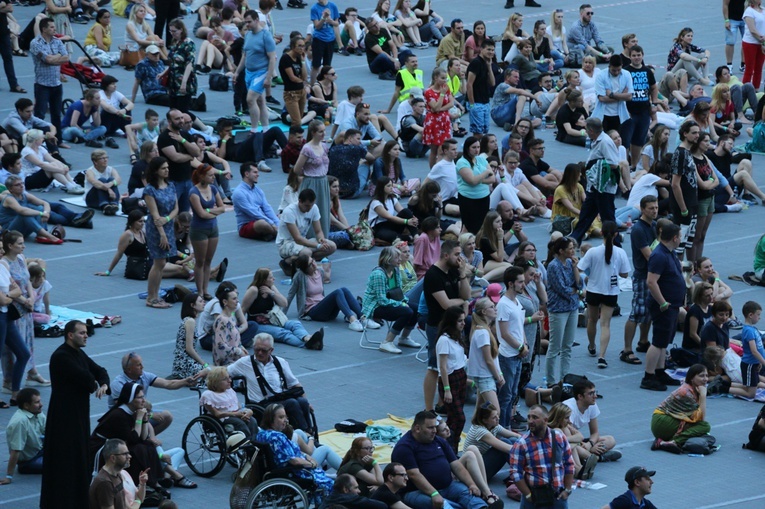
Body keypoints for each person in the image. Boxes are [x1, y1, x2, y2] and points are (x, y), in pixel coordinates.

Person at [40, 320, 110, 509]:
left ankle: (78, 500)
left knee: (79, 458)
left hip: (78, 415)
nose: (86, 335)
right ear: (70, 335)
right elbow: (88, 380)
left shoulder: (78, 353)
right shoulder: (61, 357)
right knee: (65, 460)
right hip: (64, 417)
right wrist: (96, 382)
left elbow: (99, 371)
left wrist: (103, 383)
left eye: (86, 332)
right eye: (81, 333)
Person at [91, 382, 194, 491]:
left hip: (117, 444)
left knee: (147, 445)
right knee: (139, 449)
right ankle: (148, 483)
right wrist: (139, 418)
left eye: (143, 397)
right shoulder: (119, 414)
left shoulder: (130, 411)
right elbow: (134, 439)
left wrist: (144, 420)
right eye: (140, 397)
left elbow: (143, 438)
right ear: (131, 399)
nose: (143, 400)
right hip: (101, 447)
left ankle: (154, 480)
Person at [390, 410, 488, 509]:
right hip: (416, 492)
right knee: (443, 505)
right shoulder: (404, 447)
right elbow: (414, 475)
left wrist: (471, 484)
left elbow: (457, 465)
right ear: (417, 428)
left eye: (435, 427)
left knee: (470, 496)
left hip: (448, 486)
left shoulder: (438, 440)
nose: (435, 431)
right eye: (430, 427)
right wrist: (434, 493)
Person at [423, 240, 471, 410]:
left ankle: (441, 403)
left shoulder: (452, 271)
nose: (460, 258)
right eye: (457, 254)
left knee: (453, 365)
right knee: (434, 367)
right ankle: (428, 409)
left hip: (454, 326)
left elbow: (466, 294)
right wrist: (462, 302)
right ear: (445, 255)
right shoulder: (433, 276)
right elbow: (446, 304)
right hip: (437, 327)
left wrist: (463, 274)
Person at [257, 403, 334, 505]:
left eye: (285, 416)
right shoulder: (278, 437)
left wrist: (306, 456)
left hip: (281, 470)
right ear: (271, 419)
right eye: (281, 417)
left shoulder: (261, 434)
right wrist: (311, 464)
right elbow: (295, 461)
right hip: (293, 473)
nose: (285, 420)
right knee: (331, 484)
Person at [570, 118, 631, 247]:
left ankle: (616, 243)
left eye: (586, 129)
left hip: (604, 188)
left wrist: (595, 166)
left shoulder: (605, 142)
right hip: (595, 187)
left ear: (591, 130)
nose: (585, 132)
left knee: (607, 218)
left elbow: (614, 164)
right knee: (586, 214)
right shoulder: (597, 140)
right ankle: (575, 238)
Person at [577, 221, 630, 367]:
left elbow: (580, 268)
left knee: (591, 320)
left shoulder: (593, 251)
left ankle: (592, 346)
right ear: (616, 234)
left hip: (593, 290)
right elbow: (625, 274)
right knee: (605, 324)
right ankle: (602, 356)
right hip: (611, 292)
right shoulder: (620, 252)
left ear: (601, 233)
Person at [641, 223, 685, 391]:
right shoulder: (659, 255)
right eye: (680, 236)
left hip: (671, 304)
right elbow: (651, 282)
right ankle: (649, 376)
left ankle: (659, 371)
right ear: (674, 238)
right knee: (658, 341)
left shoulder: (669, 252)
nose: (681, 239)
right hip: (664, 305)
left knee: (664, 340)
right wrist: (663, 303)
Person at [109, 351, 195, 436]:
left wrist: (185, 382)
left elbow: (168, 384)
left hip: (141, 414)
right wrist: (150, 415)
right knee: (146, 409)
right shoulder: (118, 384)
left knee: (167, 416)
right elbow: (126, 410)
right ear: (129, 370)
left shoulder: (144, 376)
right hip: (124, 419)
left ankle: (146, 440)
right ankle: (135, 440)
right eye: (138, 365)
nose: (142, 366)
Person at [508, 404, 575, 508]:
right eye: (529, 417)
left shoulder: (559, 437)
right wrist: (528, 494)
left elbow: (569, 464)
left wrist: (567, 490)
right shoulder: (521, 443)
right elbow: (515, 472)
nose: (530, 421)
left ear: (545, 420)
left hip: (557, 496)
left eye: (535, 417)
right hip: (534, 497)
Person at [242, 268, 324, 349]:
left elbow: (284, 303)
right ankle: (307, 344)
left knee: (295, 324)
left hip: (274, 320)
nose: (274, 279)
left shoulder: (271, 287)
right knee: (283, 333)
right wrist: (241, 326)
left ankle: (307, 338)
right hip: (259, 325)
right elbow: (243, 309)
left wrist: (271, 293)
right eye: (270, 277)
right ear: (263, 280)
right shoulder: (253, 290)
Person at [287, 253, 372, 331]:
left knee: (344, 290)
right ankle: (352, 320)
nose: (314, 264)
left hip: (325, 309)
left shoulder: (319, 271)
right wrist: (282, 315)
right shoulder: (300, 276)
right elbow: (290, 295)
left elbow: (327, 276)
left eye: (313, 260)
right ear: (305, 269)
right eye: (310, 264)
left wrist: (327, 266)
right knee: (338, 292)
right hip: (313, 311)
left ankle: (363, 318)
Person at [621, 196, 659, 364]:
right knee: (636, 313)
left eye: (656, 207)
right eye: (651, 208)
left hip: (653, 275)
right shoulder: (638, 230)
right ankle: (627, 349)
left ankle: (643, 341)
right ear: (643, 209)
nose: (655, 210)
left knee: (648, 311)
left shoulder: (655, 226)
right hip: (643, 276)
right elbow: (649, 255)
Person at [0, 176, 91, 244]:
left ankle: (42, 233)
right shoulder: (9, 198)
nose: (21, 186)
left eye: (22, 183)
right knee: (25, 214)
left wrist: (45, 212)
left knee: (40, 207)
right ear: (10, 188)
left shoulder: (24, 195)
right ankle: (47, 236)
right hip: (10, 231)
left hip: (22, 229)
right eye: (17, 185)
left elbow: (45, 203)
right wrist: (40, 213)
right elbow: (21, 211)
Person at [361, 246, 418, 354]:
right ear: (388, 259)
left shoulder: (395, 270)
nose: (400, 260)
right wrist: (400, 304)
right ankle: (387, 342)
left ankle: (404, 338)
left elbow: (399, 292)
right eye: (397, 257)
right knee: (406, 311)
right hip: (375, 306)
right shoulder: (378, 274)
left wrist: (403, 301)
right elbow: (381, 300)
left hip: (389, 301)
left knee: (415, 308)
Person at [497, 266, 531, 430]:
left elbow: (519, 327)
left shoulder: (516, 301)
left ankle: (507, 426)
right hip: (508, 356)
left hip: (517, 354)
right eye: (520, 282)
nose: (523, 285)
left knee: (512, 394)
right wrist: (520, 347)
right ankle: (502, 428)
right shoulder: (503, 305)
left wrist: (524, 344)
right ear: (510, 284)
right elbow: (504, 333)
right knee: (505, 396)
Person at [142, 157, 178, 309]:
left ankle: (156, 295)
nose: (167, 170)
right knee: (158, 262)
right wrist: (162, 233)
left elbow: (176, 207)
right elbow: (155, 215)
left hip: (168, 225)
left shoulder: (171, 186)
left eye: (167, 167)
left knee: (162, 263)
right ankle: (151, 297)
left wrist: (168, 218)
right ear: (156, 171)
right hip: (156, 229)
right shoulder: (150, 190)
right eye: (163, 168)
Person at [233, 10, 276, 138]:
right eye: (245, 22)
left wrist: (269, 78)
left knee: (250, 99)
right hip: (249, 72)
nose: (247, 25)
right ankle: (266, 128)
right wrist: (237, 72)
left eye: (249, 22)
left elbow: (272, 58)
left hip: (261, 72)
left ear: (257, 20)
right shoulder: (248, 35)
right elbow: (244, 56)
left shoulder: (265, 35)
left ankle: (254, 129)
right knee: (260, 101)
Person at [650, 363, 711, 453]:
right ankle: (672, 442)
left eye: (706, 375)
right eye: (701, 376)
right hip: (662, 421)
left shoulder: (693, 388)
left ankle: (670, 440)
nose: (705, 379)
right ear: (692, 378)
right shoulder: (686, 392)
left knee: (700, 429)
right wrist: (703, 396)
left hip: (664, 420)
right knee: (704, 426)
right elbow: (701, 419)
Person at [276, 188, 337, 272]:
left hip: (302, 241)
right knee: (307, 253)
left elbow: (318, 231)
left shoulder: (314, 208)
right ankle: (287, 261)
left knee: (331, 246)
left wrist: (322, 240)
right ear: (300, 201)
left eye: (311, 205)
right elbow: (297, 238)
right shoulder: (289, 212)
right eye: (307, 206)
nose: (309, 209)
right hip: (287, 243)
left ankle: (304, 261)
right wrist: (317, 246)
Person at [562, 380, 620, 463]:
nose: (595, 396)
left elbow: (595, 433)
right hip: (567, 441)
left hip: (580, 442)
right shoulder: (569, 409)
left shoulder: (592, 405)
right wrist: (585, 445)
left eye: (595, 392)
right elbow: (570, 437)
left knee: (610, 440)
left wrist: (590, 444)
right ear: (580, 396)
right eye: (591, 393)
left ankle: (587, 456)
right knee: (575, 448)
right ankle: (597, 458)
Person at [30, 17, 68, 142]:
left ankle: (58, 140)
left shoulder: (57, 41)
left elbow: (66, 58)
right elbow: (47, 60)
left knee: (56, 114)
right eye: (51, 27)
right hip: (42, 84)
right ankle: (36, 140)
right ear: (44, 29)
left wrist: (53, 58)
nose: (54, 29)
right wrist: (57, 57)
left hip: (56, 84)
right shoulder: (35, 43)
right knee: (39, 114)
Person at [436, 305, 468, 452]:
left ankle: (447, 445)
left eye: (463, 320)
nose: (463, 323)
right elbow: (443, 367)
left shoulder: (457, 337)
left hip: (460, 377)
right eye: (460, 321)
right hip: (450, 379)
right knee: (460, 418)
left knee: (453, 417)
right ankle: (452, 446)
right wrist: (447, 389)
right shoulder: (444, 340)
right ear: (451, 322)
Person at [157, 109, 201, 214]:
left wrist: (182, 140)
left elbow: (197, 152)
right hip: (172, 181)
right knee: (171, 211)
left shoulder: (185, 134)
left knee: (184, 212)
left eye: (181, 118)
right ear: (169, 121)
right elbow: (175, 158)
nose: (181, 121)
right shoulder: (164, 137)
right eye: (177, 119)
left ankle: (182, 230)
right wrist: (190, 157)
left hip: (187, 179)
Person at [462, 402, 519, 481]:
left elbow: (515, 436)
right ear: (485, 420)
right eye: (494, 417)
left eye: (497, 415)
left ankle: (520, 472)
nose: (498, 418)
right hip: (476, 471)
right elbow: (508, 448)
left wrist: (526, 439)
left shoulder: (492, 425)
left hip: (483, 462)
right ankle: (520, 473)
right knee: (505, 443)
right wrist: (529, 448)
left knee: (513, 440)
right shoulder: (480, 431)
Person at [294, 120, 331, 238]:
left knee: (323, 212)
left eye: (324, 131)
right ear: (313, 133)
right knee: (310, 212)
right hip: (311, 182)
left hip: (323, 182)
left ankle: (323, 240)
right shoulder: (307, 148)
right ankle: (309, 240)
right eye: (321, 131)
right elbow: (296, 169)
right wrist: (307, 175)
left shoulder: (324, 146)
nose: (323, 134)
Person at [0, 388, 45, 483]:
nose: (41, 405)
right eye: (37, 402)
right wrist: (9, 477)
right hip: (29, 461)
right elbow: (15, 450)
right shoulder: (20, 422)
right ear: (26, 406)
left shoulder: (38, 413)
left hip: (39, 450)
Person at [89, 438, 148, 509]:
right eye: (125, 454)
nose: (129, 456)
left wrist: (139, 495)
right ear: (113, 458)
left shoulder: (117, 475)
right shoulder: (105, 482)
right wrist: (138, 500)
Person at [200, 366, 258, 437]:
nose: (230, 380)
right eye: (225, 379)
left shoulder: (230, 391)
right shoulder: (208, 395)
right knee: (240, 424)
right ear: (216, 381)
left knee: (252, 420)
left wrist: (247, 412)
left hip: (236, 414)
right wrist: (236, 414)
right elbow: (217, 414)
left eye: (229, 377)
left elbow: (239, 406)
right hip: (222, 418)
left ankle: (254, 441)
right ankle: (246, 443)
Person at [20, 129, 83, 194]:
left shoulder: (40, 148)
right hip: (29, 180)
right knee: (51, 167)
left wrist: (64, 166)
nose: (43, 139)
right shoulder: (26, 151)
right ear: (36, 140)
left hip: (39, 175)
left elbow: (52, 159)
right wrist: (60, 170)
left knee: (54, 163)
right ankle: (69, 186)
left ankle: (72, 184)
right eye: (41, 138)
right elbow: (41, 164)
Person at [232, 161, 279, 241]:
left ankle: (270, 233)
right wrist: (272, 224)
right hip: (247, 225)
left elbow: (267, 208)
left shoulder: (258, 190)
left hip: (261, 218)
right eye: (255, 172)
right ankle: (281, 234)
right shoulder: (238, 193)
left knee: (282, 216)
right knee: (262, 224)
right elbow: (253, 213)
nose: (258, 174)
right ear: (246, 174)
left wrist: (277, 223)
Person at [456, 136, 494, 234]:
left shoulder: (481, 160)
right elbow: (472, 181)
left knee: (482, 226)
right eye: (474, 147)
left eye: (478, 147)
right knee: (467, 227)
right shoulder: (462, 162)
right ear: (467, 148)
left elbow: (492, 179)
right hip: (468, 198)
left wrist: (479, 180)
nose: (477, 150)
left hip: (484, 197)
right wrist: (486, 173)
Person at [591, 55, 633, 137]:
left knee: (617, 141)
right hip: (603, 114)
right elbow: (602, 98)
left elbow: (629, 97)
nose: (616, 72)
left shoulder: (627, 74)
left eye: (619, 70)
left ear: (622, 66)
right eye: (613, 70)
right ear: (609, 66)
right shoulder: (600, 75)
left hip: (620, 114)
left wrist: (611, 94)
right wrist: (622, 96)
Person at [368, 176, 418, 244]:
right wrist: (406, 221)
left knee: (406, 211)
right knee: (393, 236)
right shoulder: (376, 202)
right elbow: (389, 217)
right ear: (382, 187)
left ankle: (415, 236)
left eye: (392, 186)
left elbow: (402, 211)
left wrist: (413, 218)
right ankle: (407, 238)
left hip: (390, 224)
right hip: (379, 227)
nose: (391, 188)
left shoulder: (392, 199)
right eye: (388, 186)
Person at [170, 293, 207, 379]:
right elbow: (189, 348)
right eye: (200, 301)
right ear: (192, 305)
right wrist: (204, 364)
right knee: (212, 373)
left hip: (182, 362)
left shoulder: (189, 320)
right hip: (185, 364)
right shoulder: (190, 321)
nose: (203, 303)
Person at [424, 67, 454, 168]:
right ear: (435, 78)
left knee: (442, 148)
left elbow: (451, 103)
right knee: (434, 149)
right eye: (442, 78)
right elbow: (435, 106)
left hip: (444, 121)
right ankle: (433, 171)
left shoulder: (446, 87)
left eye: (446, 78)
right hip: (433, 122)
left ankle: (439, 170)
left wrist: (440, 110)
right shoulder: (428, 92)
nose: (444, 81)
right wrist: (441, 94)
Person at [466, 40, 496, 139]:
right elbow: (469, 84)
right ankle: (472, 150)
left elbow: (492, 83)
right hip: (476, 102)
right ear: (481, 49)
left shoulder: (486, 63)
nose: (491, 52)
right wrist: (471, 104)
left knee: (484, 131)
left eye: (492, 50)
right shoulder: (476, 63)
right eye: (488, 49)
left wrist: (489, 67)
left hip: (485, 102)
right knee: (478, 133)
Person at [280, 36, 309, 128]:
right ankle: (292, 141)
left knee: (299, 120)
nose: (302, 48)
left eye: (303, 46)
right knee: (296, 122)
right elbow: (292, 77)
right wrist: (303, 82)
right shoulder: (286, 58)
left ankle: (296, 141)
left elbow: (304, 76)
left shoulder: (299, 58)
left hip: (301, 92)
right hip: (291, 93)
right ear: (292, 47)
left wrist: (303, 61)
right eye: (299, 46)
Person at [739, 300, 765, 398]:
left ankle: (723, 384)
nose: (759, 317)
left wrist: (758, 362)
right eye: (758, 315)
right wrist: (763, 362)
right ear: (750, 315)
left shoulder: (752, 329)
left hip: (753, 363)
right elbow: (754, 351)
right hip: (749, 364)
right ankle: (722, 388)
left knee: (751, 385)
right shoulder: (749, 331)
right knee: (750, 394)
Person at [85, 149, 122, 215]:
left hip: (108, 196)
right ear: (95, 162)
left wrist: (111, 183)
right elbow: (95, 183)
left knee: (112, 179)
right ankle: (105, 206)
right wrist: (109, 189)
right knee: (102, 180)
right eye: (102, 158)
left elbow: (118, 180)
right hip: (92, 199)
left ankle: (114, 204)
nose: (105, 160)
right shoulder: (90, 171)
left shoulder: (110, 169)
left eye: (106, 157)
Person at [320, 473, 387, 509]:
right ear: (345, 490)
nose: (359, 491)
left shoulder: (329, 498)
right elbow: (383, 506)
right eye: (356, 488)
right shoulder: (349, 499)